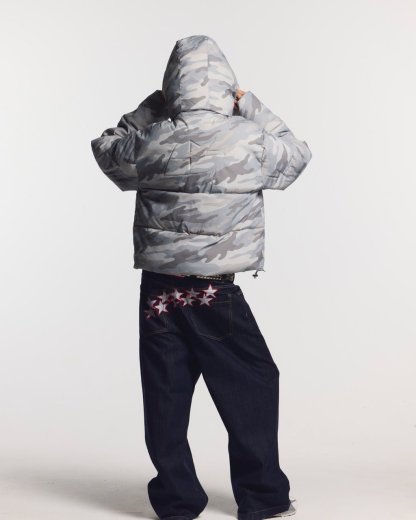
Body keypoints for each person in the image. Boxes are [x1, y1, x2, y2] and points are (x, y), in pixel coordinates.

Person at [91, 34, 312, 520]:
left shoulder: (149, 139)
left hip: (159, 287)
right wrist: (249, 103)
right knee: (252, 384)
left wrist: (153, 109)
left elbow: (105, 149)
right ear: (225, 86)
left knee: (166, 392)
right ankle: (263, 499)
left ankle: (177, 501)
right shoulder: (249, 138)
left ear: (173, 86)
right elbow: (296, 155)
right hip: (214, 290)